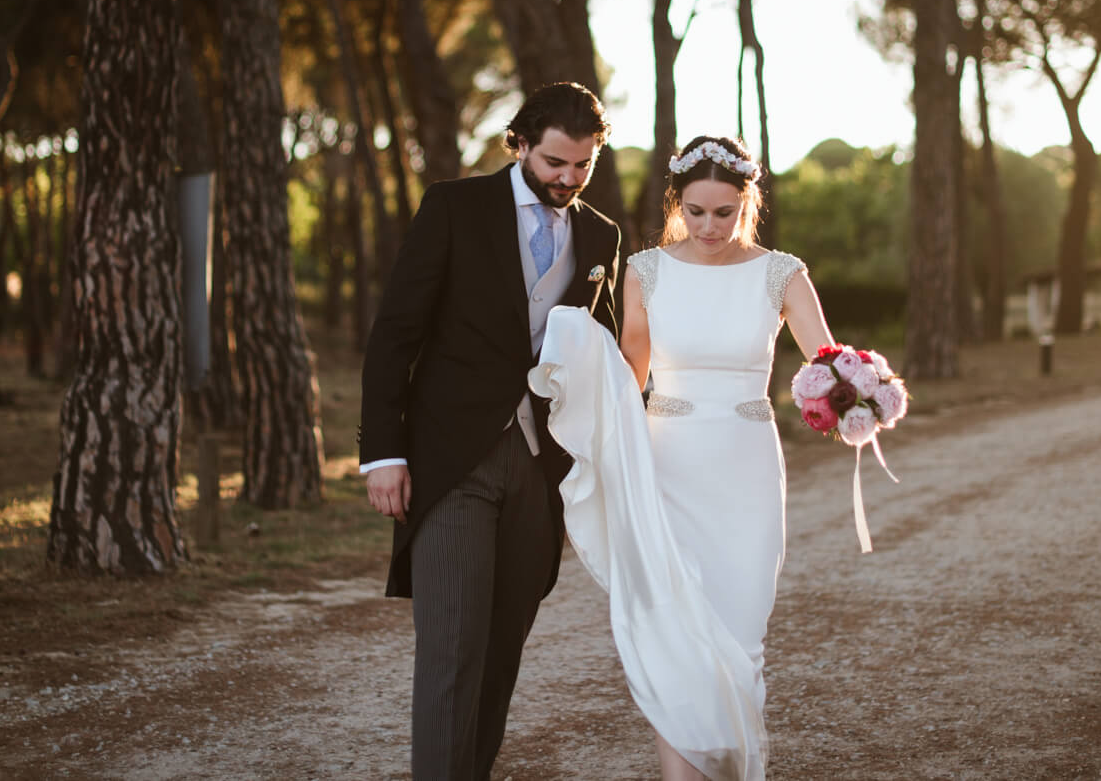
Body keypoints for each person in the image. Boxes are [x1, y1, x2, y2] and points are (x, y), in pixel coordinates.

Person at [530, 134, 836, 781]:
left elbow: (828, 363)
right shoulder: (645, 271)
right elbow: (630, 375)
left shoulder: (782, 272)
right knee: (674, 628)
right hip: (667, 462)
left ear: (745, 203)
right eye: (695, 211)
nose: (709, 226)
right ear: (678, 203)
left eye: (723, 212)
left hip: (747, 466)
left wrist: (856, 395)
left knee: (740, 634)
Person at [358, 81, 623, 781]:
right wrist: (383, 453)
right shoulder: (454, 208)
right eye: (554, 163)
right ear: (521, 145)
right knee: (452, 647)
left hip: (541, 471)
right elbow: (395, 334)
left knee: (502, 648)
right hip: (452, 460)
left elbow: (604, 358)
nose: (567, 179)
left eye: (582, 166)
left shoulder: (602, 237)